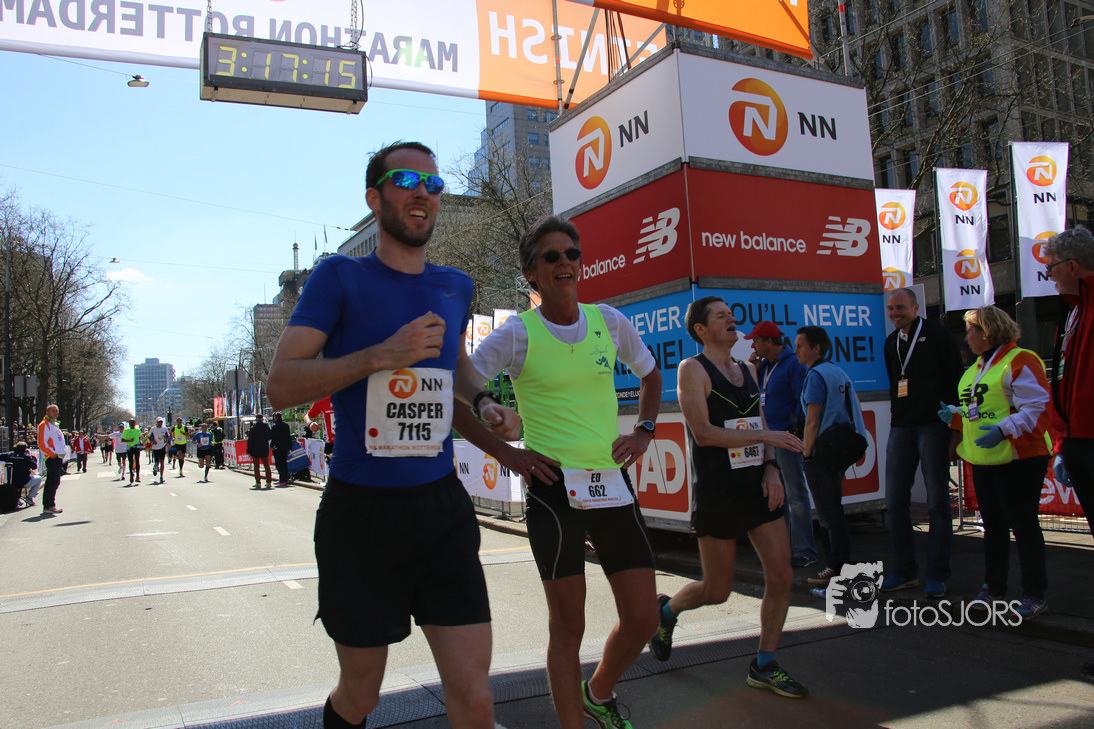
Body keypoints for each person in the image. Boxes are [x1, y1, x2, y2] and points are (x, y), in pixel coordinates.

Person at [266, 141, 517, 729]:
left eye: (434, 184)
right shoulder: (339, 276)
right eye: (406, 180)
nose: (423, 192)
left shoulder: (455, 285)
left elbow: (455, 366)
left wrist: (485, 400)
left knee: (476, 696)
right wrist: (381, 355)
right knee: (361, 696)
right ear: (374, 199)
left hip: (440, 508)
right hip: (362, 514)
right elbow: (281, 385)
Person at [469, 214, 662, 729]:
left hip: (611, 483)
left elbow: (651, 374)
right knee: (569, 626)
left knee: (644, 617)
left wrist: (643, 431)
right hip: (553, 489)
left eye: (571, 254)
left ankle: (597, 693)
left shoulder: (609, 321)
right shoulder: (517, 333)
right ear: (531, 273)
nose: (564, 263)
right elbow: (457, 386)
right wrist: (508, 453)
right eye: (551, 256)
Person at [648, 298, 807, 698]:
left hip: (757, 487)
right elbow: (703, 433)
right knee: (717, 590)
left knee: (782, 575)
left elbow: (760, 423)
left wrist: (771, 468)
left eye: (731, 314)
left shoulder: (749, 369)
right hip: (718, 490)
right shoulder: (692, 369)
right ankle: (666, 612)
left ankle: (764, 664)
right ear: (701, 329)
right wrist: (766, 437)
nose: (731, 319)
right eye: (721, 316)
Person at [942, 306, 1052, 621]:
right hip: (986, 458)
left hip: (1020, 456)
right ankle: (993, 588)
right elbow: (978, 410)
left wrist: (1004, 430)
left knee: (1024, 525)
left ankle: (1034, 595)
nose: (966, 338)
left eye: (970, 331)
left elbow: (1037, 408)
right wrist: (954, 415)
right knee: (993, 527)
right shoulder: (976, 368)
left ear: (988, 332)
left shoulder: (1020, 359)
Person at [881, 287, 964, 598]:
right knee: (895, 502)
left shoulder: (939, 336)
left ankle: (937, 575)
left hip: (934, 426)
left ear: (916, 308)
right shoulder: (891, 342)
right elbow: (895, 383)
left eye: (900, 307)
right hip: (901, 427)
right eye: (891, 309)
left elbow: (956, 380)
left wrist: (955, 430)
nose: (895, 314)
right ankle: (905, 572)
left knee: (937, 503)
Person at [795, 326, 866, 587]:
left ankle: (837, 567)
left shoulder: (815, 375)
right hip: (841, 446)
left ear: (817, 348)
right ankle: (839, 565)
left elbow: (812, 421)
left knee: (828, 514)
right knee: (834, 509)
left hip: (823, 450)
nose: (796, 350)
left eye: (800, 346)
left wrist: (807, 454)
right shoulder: (837, 371)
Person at [746, 320, 818, 569]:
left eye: (756, 340)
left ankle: (805, 551)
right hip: (767, 440)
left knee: (795, 494)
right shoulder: (764, 365)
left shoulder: (792, 364)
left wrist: (793, 429)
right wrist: (754, 370)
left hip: (785, 439)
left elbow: (802, 399)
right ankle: (781, 550)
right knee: (775, 496)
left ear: (768, 341)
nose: (753, 346)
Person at [1043, 227, 1094, 535]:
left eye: (1051, 266)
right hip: (1076, 443)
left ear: (1072, 266)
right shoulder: (1073, 312)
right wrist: (1063, 444)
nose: (1048, 274)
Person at [37, 404, 66, 515]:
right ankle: (49, 505)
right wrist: (51, 454)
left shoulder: (54, 424)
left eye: (56, 411)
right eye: (53, 411)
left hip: (57, 457)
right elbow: (41, 442)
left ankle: (49, 505)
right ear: (47, 412)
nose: (55, 413)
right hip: (52, 457)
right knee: (53, 481)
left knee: (54, 481)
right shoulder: (44, 424)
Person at [0, 441, 41, 508]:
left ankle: (18, 499)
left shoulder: (9, 455)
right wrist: (30, 456)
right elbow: (34, 466)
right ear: (25, 448)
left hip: (11, 481)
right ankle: (29, 497)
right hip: (24, 481)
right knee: (39, 478)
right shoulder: (26, 456)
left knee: (15, 484)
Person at [246, 414, 273, 489]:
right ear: (262, 419)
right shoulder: (266, 427)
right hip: (264, 448)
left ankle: (258, 482)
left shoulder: (253, 428)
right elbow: (270, 436)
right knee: (266, 465)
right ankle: (268, 482)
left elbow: (250, 441)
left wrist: (248, 451)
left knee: (256, 467)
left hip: (255, 449)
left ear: (256, 419)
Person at [270, 411, 293, 485]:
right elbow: (288, 436)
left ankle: (282, 479)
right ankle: (286, 478)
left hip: (278, 447)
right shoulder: (286, 425)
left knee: (279, 464)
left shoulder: (275, 426)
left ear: (275, 418)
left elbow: (274, 438)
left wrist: (271, 446)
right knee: (284, 462)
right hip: (285, 447)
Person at [149, 417, 170, 483]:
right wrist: (153, 441)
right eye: (159, 422)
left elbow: (168, 437)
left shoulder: (165, 428)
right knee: (157, 462)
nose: (160, 423)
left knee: (162, 462)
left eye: (161, 422)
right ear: (157, 422)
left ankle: (161, 476)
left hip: (162, 446)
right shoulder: (153, 429)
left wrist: (166, 438)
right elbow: (149, 437)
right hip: (155, 447)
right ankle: (155, 467)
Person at [122, 418, 143, 484]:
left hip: (136, 447)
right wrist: (129, 440)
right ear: (129, 423)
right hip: (130, 447)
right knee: (130, 462)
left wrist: (140, 442)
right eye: (131, 422)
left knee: (137, 461)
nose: (132, 424)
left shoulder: (138, 430)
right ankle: (131, 474)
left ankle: (138, 476)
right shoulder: (126, 430)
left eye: (133, 422)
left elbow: (139, 437)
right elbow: (122, 439)